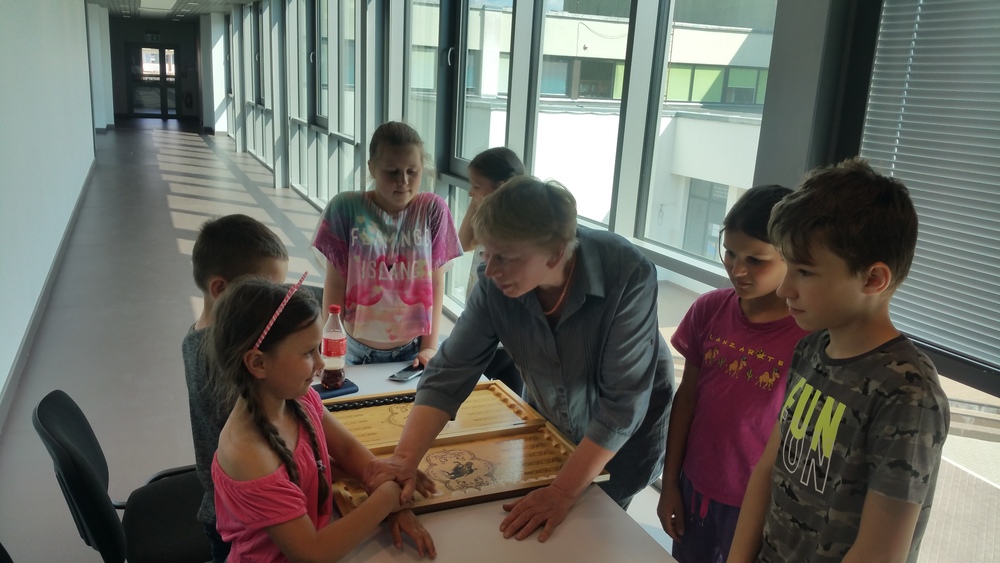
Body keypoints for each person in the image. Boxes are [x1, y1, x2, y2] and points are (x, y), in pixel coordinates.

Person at [365, 176, 675, 542]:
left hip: (621, 442)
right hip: (552, 419)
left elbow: (623, 407)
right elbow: (450, 371)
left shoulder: (627, 273)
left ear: (555, 254)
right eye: (487, 253)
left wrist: (562, 492)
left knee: (589, 537)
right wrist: (403, 461)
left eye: (506, 259)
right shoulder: (495, 280)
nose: (491, 270)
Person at [727, 158, 950, 563]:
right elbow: (768, 471)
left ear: (873, 279)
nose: (785, 289)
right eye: (788, 267)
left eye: (805, 272)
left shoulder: (907, 394)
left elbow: (879, 552)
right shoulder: (810, 349)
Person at [209, 276, 436, 561]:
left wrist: (384, 479)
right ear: (258, 363)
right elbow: (313, 553)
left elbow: (347, 450)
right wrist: (389, 496)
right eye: (308, 352)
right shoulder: (248, 456)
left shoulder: (298, 398)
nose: (320, 363)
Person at [656, 185, 809, 563]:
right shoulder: (708, 309)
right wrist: (670, 482)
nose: (737, 270)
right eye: (730, 253)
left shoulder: (808, 337)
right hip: (694, 487)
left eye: (756, 260)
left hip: (757, 504)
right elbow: (687, 399)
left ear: (792, 257)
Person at [184, 213, 290, 562]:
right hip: (238, 520)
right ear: (220, 289)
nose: (276, 304)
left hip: (228, 503)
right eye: (265, 291)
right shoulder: (220, 360)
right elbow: (268, 428)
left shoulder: (203, 335)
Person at [312, 121, 462, 368]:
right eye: (392, 172)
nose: (403, 181)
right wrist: (331, 350)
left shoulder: (433, 209)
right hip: (354, 351)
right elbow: (335, 284)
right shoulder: (345, 208)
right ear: (372, 167)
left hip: (413, 352)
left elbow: (435, 284)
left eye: (412, 171)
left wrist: (429, 347)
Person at [457, 146, 526, 395]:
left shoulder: (514, 229)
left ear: (500, 187)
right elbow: (463, 243)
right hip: (482, 319)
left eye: (476, 186)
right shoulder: (488, 219)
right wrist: (479, 200)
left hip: (500, 335)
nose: (470, 192)